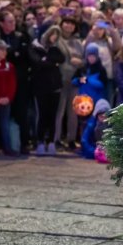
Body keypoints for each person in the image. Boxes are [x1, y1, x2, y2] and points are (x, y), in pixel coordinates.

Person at [0, 11, 32, 154]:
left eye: (14, 21)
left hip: (19, 80)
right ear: (1, 23)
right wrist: (14, 54)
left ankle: (23, 143)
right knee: (0, 113)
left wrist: (12, 55)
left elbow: (23, 56)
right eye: (9, 22)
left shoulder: (21, 37)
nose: (13, 24)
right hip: (0, 80)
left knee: (21, 111)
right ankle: (1, 143)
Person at [29, 26, 65, 156]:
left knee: (52, 116)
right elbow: (38, 63)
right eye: (52, 34)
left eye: (56, 35)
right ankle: (40, 141)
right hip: (40, 87)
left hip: (55, 87)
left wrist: (48, 60)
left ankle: (51, 142)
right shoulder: (35, 47)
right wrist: (50, 61)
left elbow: (61, 59)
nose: (54, 37)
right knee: (42, 115)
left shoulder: (55, 48)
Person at [55, 17, 84, 150]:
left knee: (73, 111)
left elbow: (85, 60)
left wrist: (80, 62)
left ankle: (71, 139)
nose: (69, 26)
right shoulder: (56, 39)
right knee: (59, 111)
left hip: (74, 80)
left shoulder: (78, 42)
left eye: (72, 23)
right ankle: (56, 139)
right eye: (66, 22)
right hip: (59, 79)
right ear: (61, 24)